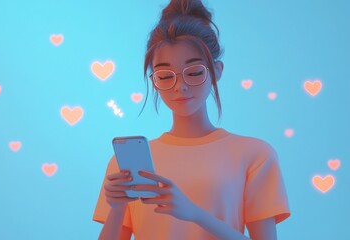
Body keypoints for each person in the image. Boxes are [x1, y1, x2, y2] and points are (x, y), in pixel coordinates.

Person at [93, 0, 291, 239]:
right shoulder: (125, 164)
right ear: (153, 79)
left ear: (217, 70)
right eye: (165, 76)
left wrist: (195, 214)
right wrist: (116, 208)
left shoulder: (254, 154)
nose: (180, 87)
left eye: (194, 72)